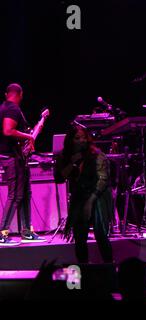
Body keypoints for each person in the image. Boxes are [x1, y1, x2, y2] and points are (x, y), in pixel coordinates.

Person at [54, 126, 113, 263]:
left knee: (101, 234)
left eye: (84, 137)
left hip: (97, 195)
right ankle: (84, 270)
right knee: (80, 236)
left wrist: (90, 201)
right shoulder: (65, 156)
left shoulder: (96, 155)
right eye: (77, 138)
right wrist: (72, 163)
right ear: (70, 140)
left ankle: (109, 268)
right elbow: (59, 178)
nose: (82, 141)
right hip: (80, 195)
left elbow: (103, 180)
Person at [0, 83, 46, 245]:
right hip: (11, 158)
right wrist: (29, 137)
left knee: (26, 194)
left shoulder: (6, 107)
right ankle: (2, 232)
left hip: (18, 157)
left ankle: (26, 232)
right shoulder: (11, 108)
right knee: (15, 196)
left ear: (7, 94)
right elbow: (7, 131)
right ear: (20, 94)